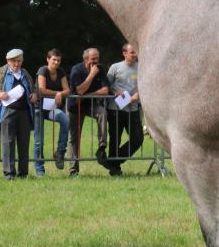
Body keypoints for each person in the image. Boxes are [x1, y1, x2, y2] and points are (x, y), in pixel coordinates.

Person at [0, 48, 37, 180]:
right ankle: (9, 174)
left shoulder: (25, 73)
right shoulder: (0, 72)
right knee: (8, 143)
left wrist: (35, 94)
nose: (17, 64)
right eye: (14, 61)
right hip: (7, 112)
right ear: (8, 61)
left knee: (24, 143)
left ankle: (23, 174)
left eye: (19, 61)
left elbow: (34, 88)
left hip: (25, 112)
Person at [68, 47, 110, 176]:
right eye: (93, 59)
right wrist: (92, 75)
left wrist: (88, 94)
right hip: (76, 106)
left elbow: (106, 91)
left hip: (91, 104)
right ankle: (74, 169)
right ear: (85, 59)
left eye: (97, 58)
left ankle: (102, 147)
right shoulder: (76, 70)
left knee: (102, 112)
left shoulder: (101, 68)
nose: (96, 61)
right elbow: (79, 91)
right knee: (75, 138)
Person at [105, 44, 143, 176]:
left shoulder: (141, 67)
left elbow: (145, 84)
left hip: (133, 108)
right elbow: (106, 85)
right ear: (124, 53)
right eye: (131, 52)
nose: (134, 55)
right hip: (115, 108)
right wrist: (115, 91)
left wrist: (138, 94)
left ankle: (113, 161)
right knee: (115, 139)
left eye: (135, 52)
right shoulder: (115, 67)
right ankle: (114, 169)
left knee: (138, 139)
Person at [33, 48, 71, 176]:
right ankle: (40, 170)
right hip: (39, 108)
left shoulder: (60, 72)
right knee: (39, 141)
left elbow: (68, 90)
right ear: (48, 59)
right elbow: (42, 90)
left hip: (52, 108)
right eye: (54, 60)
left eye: (58, 60)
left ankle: (60, 152)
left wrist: (61, 93)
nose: (56, 63)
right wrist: (58, 93)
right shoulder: (42, 70)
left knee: (65, 120)